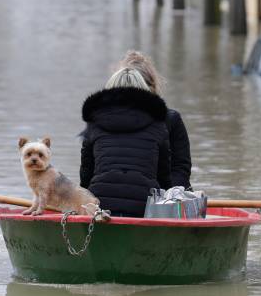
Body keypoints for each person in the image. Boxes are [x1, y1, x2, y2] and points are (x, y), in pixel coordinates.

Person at [79, 67, 171, 217]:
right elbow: (164, 176)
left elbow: (86, 174)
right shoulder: (158, 124)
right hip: (144, 206)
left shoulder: (94, 123)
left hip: (100, 205)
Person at [120, 51, 193, 189]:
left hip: (163, 193)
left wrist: (166, 196)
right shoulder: (106, 122)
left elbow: (181, 169)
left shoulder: (171, 120)